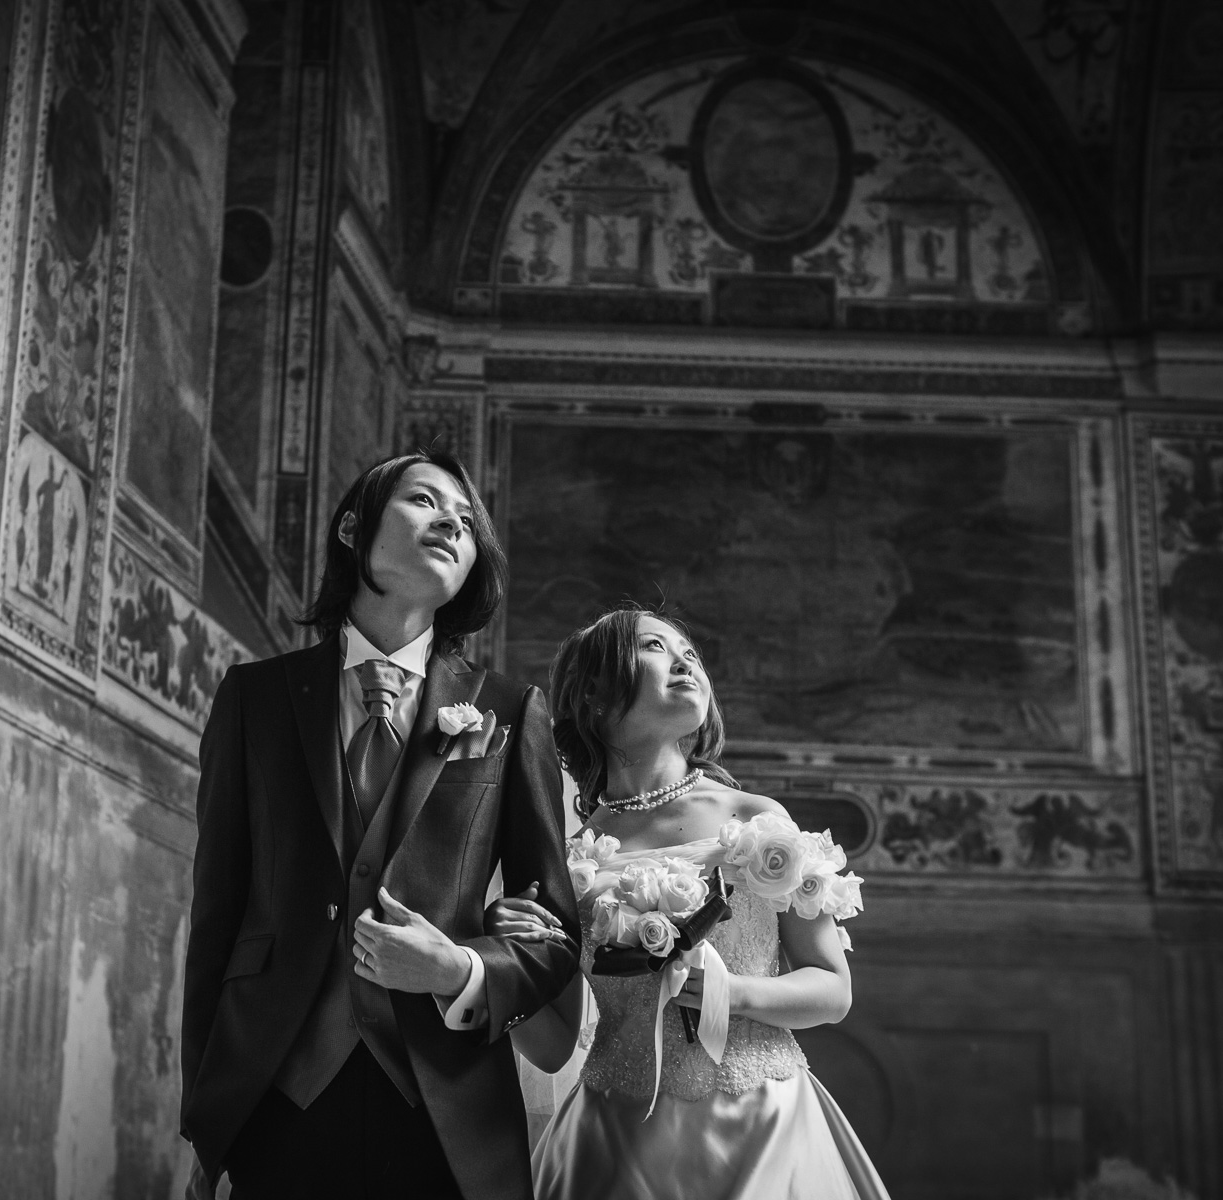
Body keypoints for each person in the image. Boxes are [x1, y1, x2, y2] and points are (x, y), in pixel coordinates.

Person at [181, 451, 581, 1200]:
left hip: (448, 1110)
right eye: (424, 501)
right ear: (351, 529)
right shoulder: (254, 699)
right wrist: (205, 1123)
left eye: (466, 522)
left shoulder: (509, 710)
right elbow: (216, 922)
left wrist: (458, 970)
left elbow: (556, 934)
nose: (451, 524)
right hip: (276, 1098)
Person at [487, 606, 889, 1200]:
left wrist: (732, 993)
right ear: (593, 692)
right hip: (615, 1146)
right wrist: (505, 968)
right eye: (654, 646)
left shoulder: (757, 823)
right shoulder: (572, 863)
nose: (685, 662)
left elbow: (833, 990)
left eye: (691, 654)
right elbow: (552, 1048)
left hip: (762, 1131)